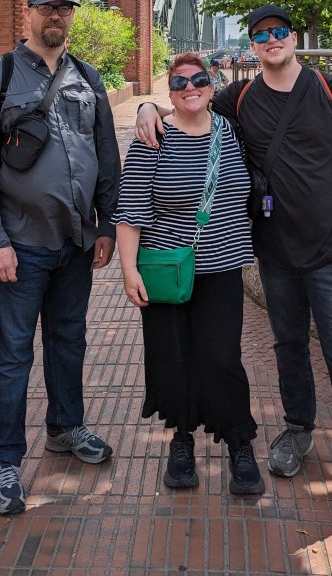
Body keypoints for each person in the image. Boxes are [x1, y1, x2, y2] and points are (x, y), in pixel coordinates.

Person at [135, 6, 332, 541]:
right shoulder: (240, 97)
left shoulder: (331, 90)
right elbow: (188, 103)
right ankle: (298, 428)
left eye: (279, 32)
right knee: (288, 346)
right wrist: (147, 105)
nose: (271, 40)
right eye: (260, 35)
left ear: (294, 37)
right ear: (253, 45)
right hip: (275, 255)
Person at [0, 0, 121, 516]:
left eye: (64, 8)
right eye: (46, 7)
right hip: (19, 242)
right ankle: (2, 460)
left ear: (72, 15)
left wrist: (106, 225)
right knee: (12, 354)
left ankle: (65, 427)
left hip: (76, 241)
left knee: (68, 339)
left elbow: (106, 152)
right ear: (28, 12)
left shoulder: (87, 76)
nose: (56, 15)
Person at [115, 53, 263, 495]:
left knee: (222, 357)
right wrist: (128, 270)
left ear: (212, 84)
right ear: (170, 91)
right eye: (179, 83)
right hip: (166, 269)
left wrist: (149, 105)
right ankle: (182, 438)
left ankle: (238, 440)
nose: (190, 88)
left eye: (198, 80)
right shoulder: (153, 138)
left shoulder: (232, 131)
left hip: (222, 267)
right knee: (173, 356)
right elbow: (130, 209)